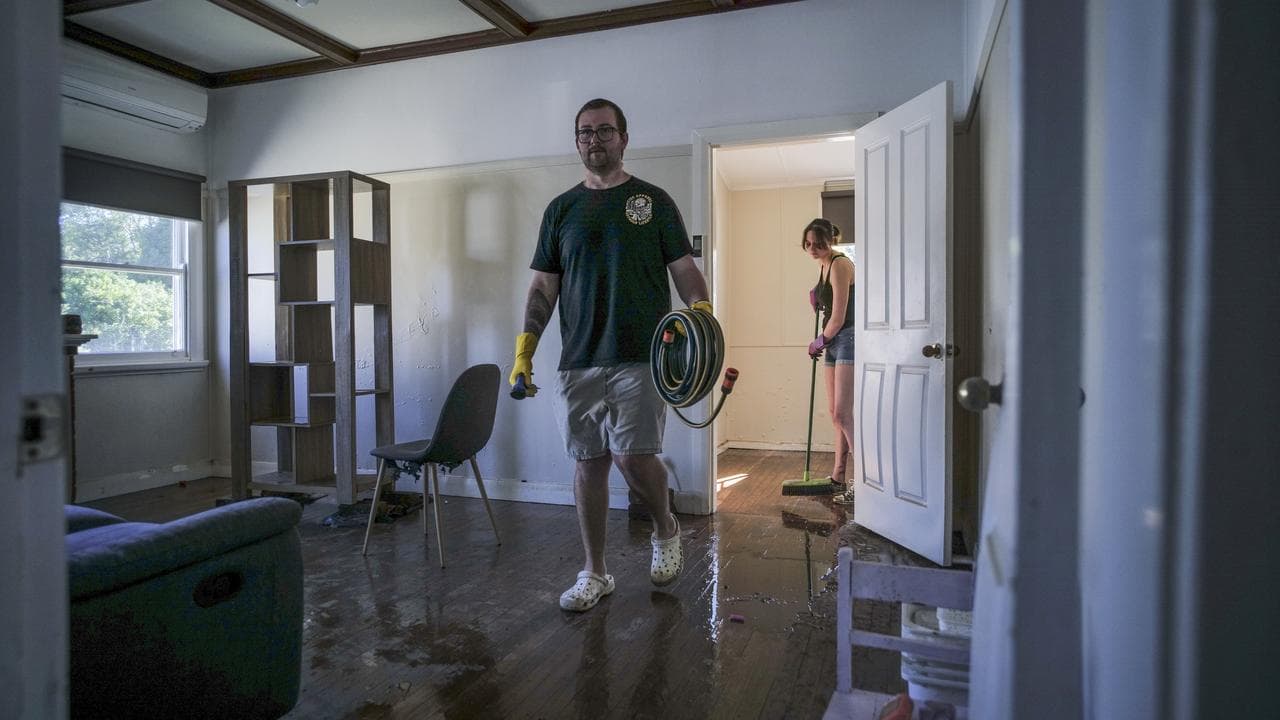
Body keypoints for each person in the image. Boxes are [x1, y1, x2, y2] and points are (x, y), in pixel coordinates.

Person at [510, 98, 712, 612]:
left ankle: (666, 527)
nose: (593, 140)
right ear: (577, 141)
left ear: (624, 138)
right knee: (588, 463)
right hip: (578, 359)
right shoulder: (561, 209)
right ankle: (594, 573)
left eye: (604, 131)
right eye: (584, 133)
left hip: (642, 356)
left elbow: (684, 268)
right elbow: (542, 287)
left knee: (632, 457)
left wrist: (702, 309)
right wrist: (525, 349)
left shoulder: (653, 200)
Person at [802, 218, 857, 505]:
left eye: (818, 244)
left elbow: (838, 317)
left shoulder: (839, 264)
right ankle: (838, 477)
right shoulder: (824, 264)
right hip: (834, 340)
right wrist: (815, 293)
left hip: (846, 338)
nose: (812, 248)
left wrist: (818, 341)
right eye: (808, 243)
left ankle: (866, 483)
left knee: (843, 414)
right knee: (836, 414)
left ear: (830, 241)